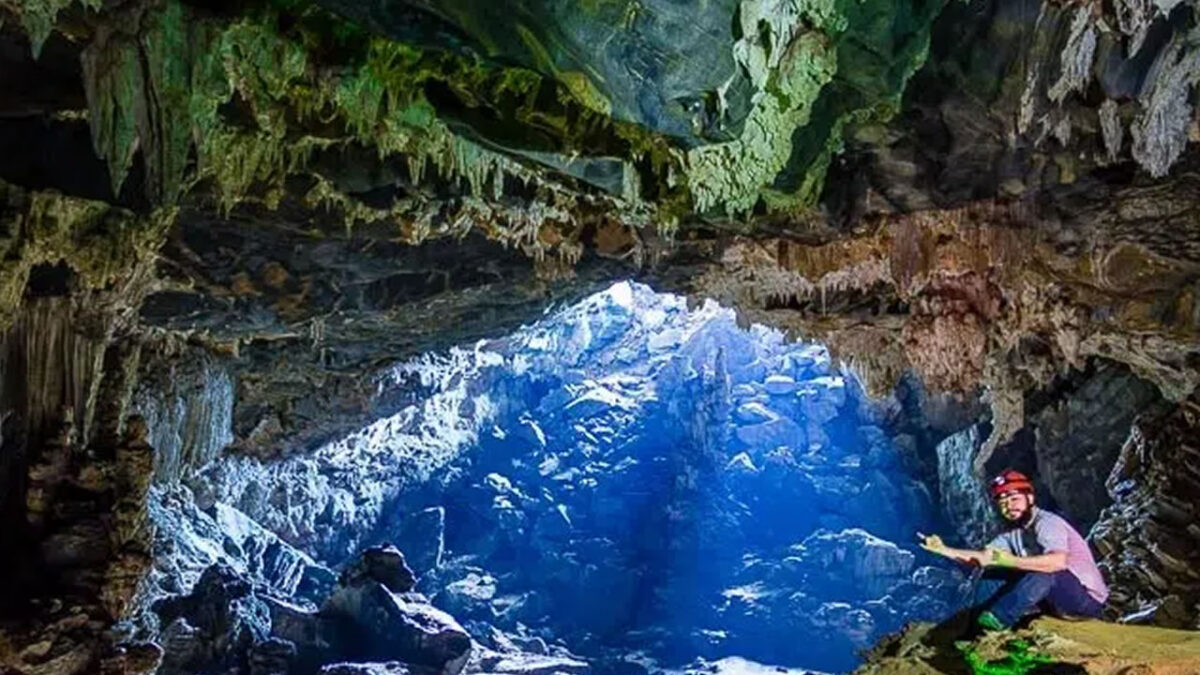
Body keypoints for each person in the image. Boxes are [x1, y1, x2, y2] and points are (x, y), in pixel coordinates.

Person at [917, 469, 1108, 630]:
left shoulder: (1047, 523)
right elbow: (983, 558)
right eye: (1003, 504)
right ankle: (975, 625)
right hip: (1053, 601)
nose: (1009, 507)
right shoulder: (1013, 535)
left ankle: (999, 619)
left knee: (1047, 572)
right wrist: (943, 549)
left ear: (1030, 497)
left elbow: (1057, 562)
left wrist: (1010, 561)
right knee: (991, 571)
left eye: (1014, 499)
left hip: (1085, 601)